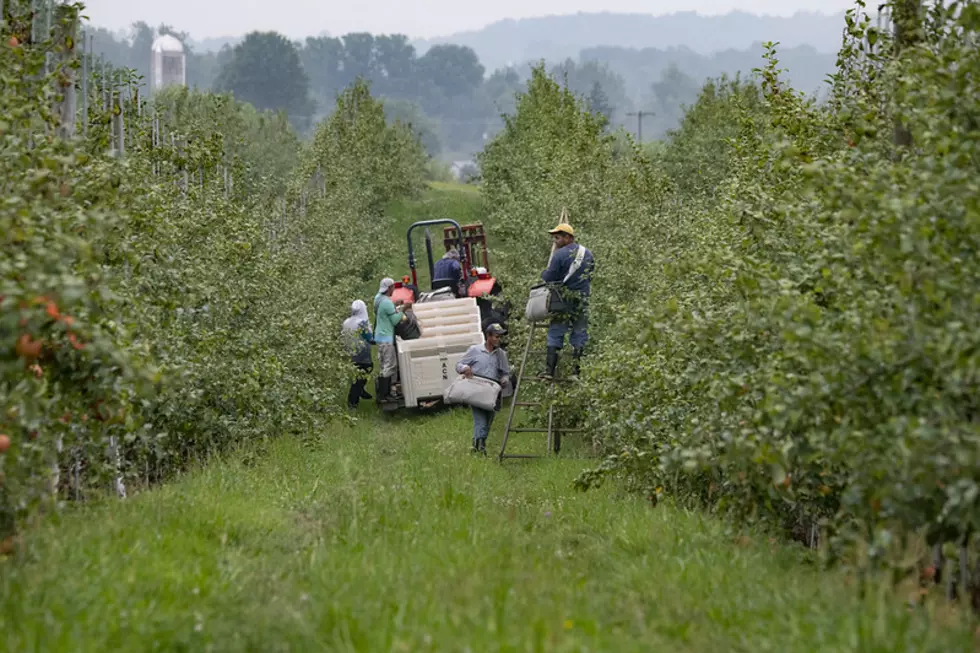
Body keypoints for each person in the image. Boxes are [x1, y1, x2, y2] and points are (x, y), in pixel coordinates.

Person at [540, 222, 595, 379]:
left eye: (558, 237)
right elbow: (590, 274)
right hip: (582, 299)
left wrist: (545, 274)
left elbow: (549, 278)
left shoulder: (559, 255)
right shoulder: (588, 253)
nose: (555, 241)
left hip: (562, 300)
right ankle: (575, 372)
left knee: (556, 332)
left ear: (568, 237)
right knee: (579, 332)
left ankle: (549, 372)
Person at [456, 323, 511, 455]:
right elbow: (458, 365)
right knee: (480, 419)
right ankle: (479, 447)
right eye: (496, 336)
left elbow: (505, 372)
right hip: (477, 391)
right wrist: (465, 369)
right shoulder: (475, 350)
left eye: (499, 337)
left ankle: (479, 444)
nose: (498, 339)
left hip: (493, 393)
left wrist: (505, 379)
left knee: (488, 420)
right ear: (488, 336)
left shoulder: (501, 354)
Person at [373, 277, 407, 401]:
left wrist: (395, 305)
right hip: (386, 337)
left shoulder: (377, 298)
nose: (394, 289)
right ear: (389, 288)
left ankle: (383, 392)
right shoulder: (387, 302)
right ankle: (385, 395)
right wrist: (403, 309)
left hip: (379, 336)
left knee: (383, 365)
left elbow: (384, 311)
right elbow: (395, 320)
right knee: (390, 365)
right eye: (392, 287)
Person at [341, 300, 374, 409]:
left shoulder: (346, 322)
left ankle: (361, 391)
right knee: (363, 374)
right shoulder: (362, 323)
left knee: (356, 375)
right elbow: (370, 339)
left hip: (350, 353)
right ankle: (352, 402)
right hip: (362, 353)